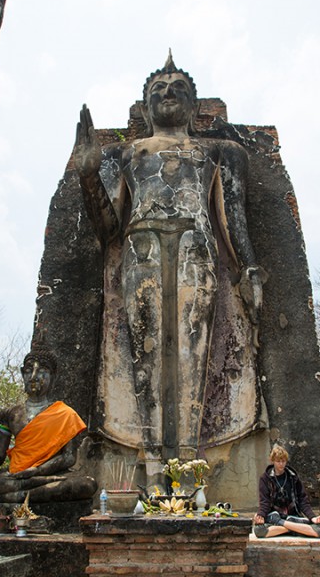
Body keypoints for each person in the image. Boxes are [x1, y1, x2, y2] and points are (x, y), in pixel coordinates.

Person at [75, 53, 265, 479]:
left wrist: (250, 271)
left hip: (196, 247)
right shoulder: (125, 153)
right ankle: (154, 458)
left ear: (196, 107)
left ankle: (188, 458)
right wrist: (89, 172)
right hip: (141, 247)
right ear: (144, 108)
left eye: (178, 87)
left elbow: (231, 219)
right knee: (146, 352)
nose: (167, 92)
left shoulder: (221, 151)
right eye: (158, 89)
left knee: (192, 350)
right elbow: (108, 229)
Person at [0, 347, 97, 503]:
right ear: (22, 373)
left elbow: (68, 457)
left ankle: (5, 497)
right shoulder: (9, 413)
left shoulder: (65, 413)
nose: (34, 377)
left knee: (86, 484)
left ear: (53, 377)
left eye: (42, 371)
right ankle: (22, 494)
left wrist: (37, 471)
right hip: (15, 475)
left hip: (48, 474)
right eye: (28, 370)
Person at [253, 445, 320, 538]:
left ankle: (282, 524)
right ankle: (295, 529)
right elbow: (265, 501)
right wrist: (261, 516)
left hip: (292, 517)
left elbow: (302, 500)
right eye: (278, 461)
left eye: (283, 461)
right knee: (259, 530)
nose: (281, 464)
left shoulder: (293, 477)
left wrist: (312, 517)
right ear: (273, 461)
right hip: (274, 515)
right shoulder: (265, 479)